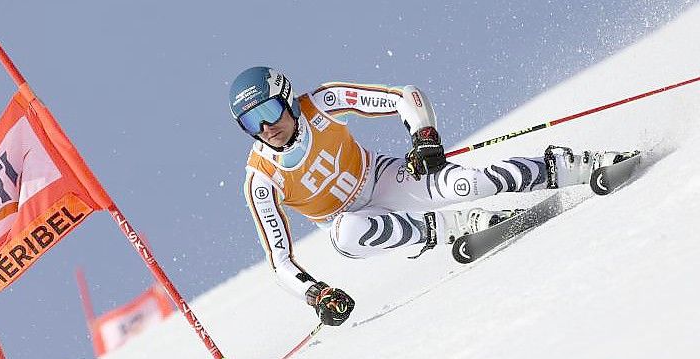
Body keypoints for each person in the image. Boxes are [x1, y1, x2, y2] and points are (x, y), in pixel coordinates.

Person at [229, 66, 632, 327]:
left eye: (268, 111)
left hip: (384, 178)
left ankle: (578, 164)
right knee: (346, 235)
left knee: (465, 184)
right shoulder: (260, 180)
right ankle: (464, 226)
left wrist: (423, 135)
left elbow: (404, 96)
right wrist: (317, 294)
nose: (265, 127)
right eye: (251, 122)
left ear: (286, 98)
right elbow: (280, 261)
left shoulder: (321, 103)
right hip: (353, 221)